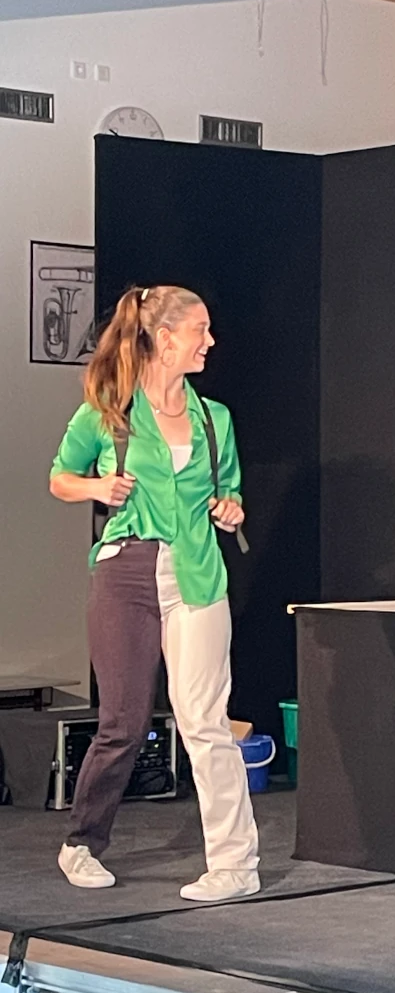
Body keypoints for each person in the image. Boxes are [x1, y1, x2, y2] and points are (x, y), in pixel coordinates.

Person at [49, 285, 260, 901]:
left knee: (205, 721)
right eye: (200, 330)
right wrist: (97, 488)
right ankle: (82, 842)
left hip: (196, 572)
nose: (210, 342)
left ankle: (235, 865)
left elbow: (230, 492)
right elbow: (60, 477)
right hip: (127, 571)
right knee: (124, 720)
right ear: (165, 339)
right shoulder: (108, 412)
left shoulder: (214, 419)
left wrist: (230, 508)